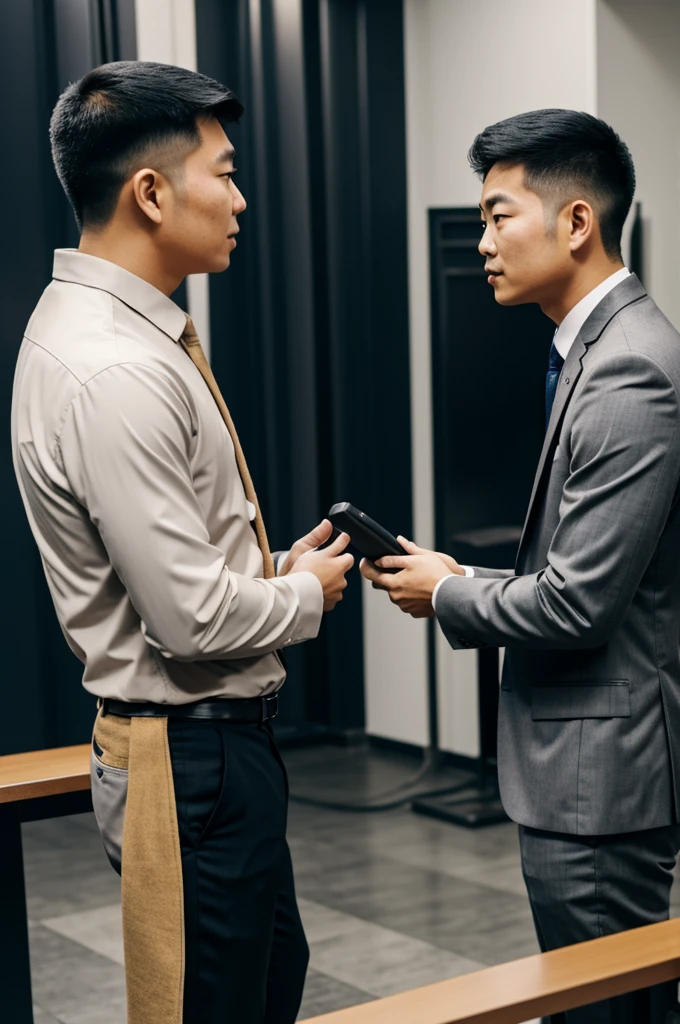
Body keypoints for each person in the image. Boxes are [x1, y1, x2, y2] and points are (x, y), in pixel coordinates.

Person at [11, 60, 354, 1024]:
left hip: (210, 749)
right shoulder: (113, 365)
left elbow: (182, 576)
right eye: (227, 172)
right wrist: (306, 593)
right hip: (188, 757)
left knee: (259, 981)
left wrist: (272, 570)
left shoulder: (112, 334)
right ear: (151, 192)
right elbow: (193, 619)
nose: (242, 199)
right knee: (209, 1004)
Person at [361, 109, 680, 1023]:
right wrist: (463, 577)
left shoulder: (631, 369)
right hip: (589, 768)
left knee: (608, 1013)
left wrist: (452, 592)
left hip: (602, 779)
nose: (483, 242)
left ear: (576, 222)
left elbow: (581, 604)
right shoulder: (592, 349)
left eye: (499, 216)